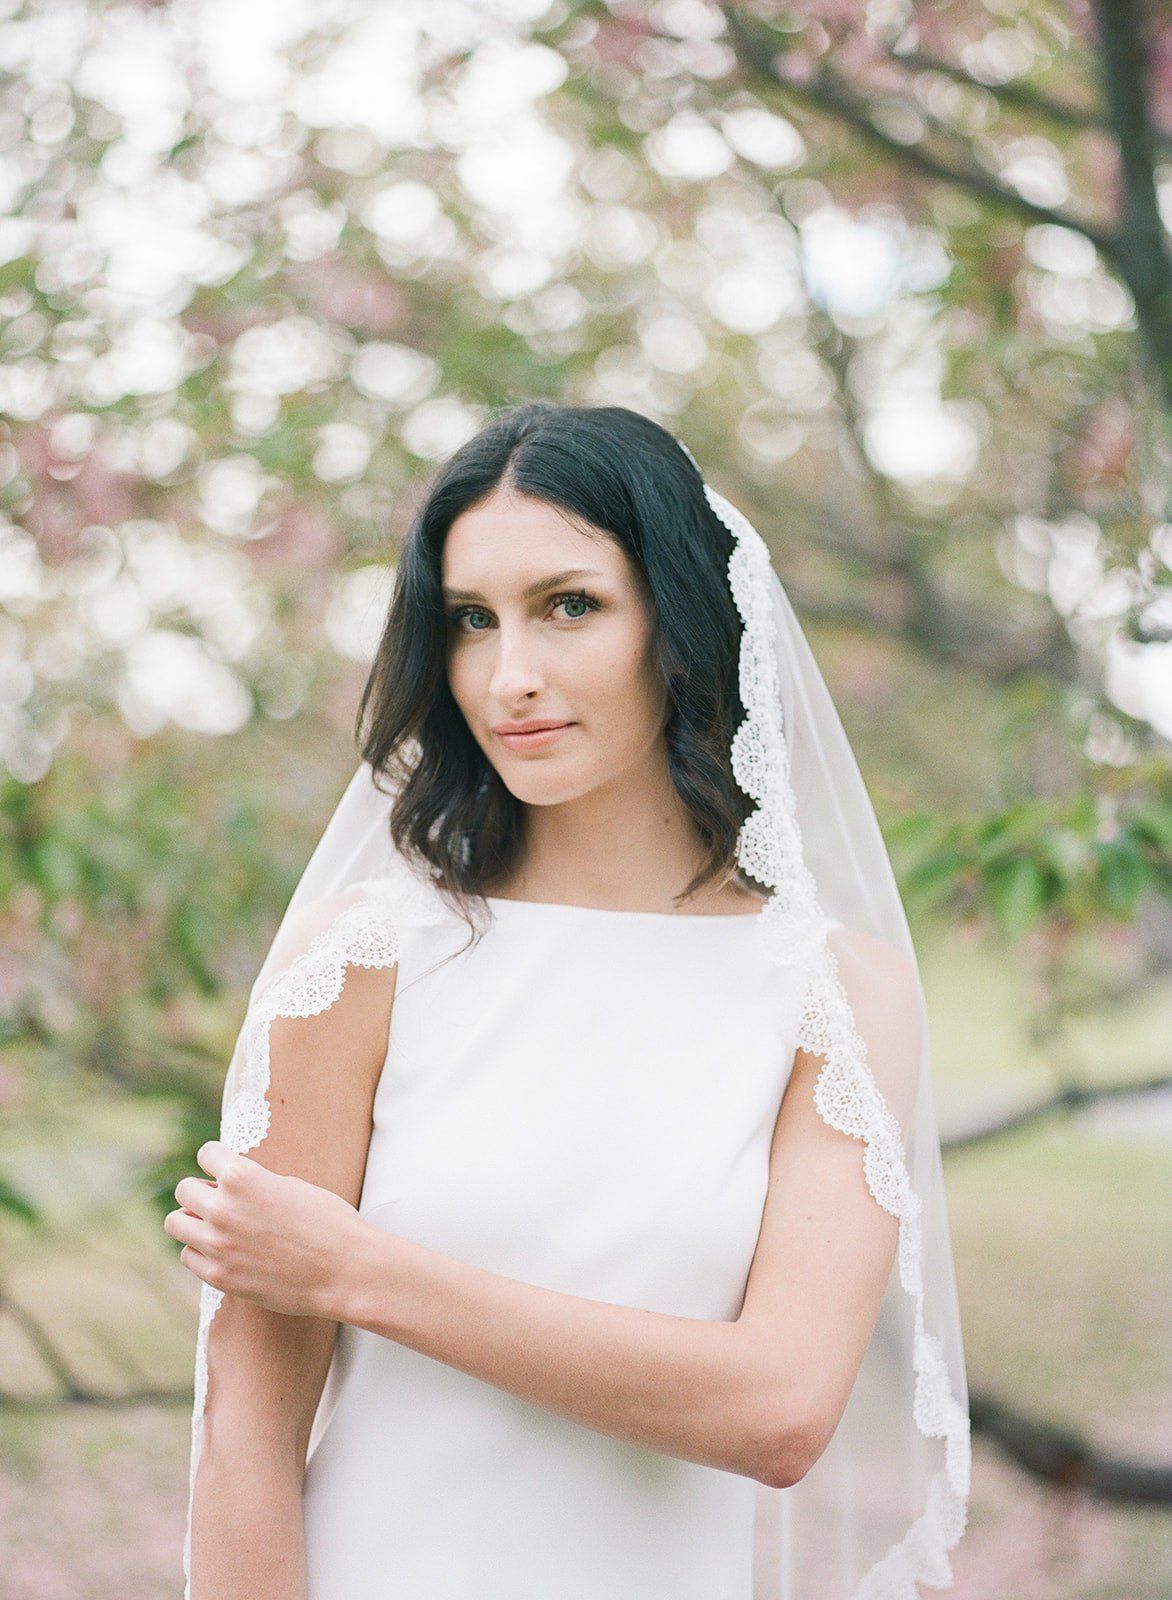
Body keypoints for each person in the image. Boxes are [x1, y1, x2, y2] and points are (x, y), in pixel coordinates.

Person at [165, 401, 971, 1599]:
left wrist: (356, 1269)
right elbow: (244, 1439)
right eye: (470, 621)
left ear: (681, 622)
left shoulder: (834, 994)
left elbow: (779, 1408)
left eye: (569, 605)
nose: (511, 676)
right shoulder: (363, 961)